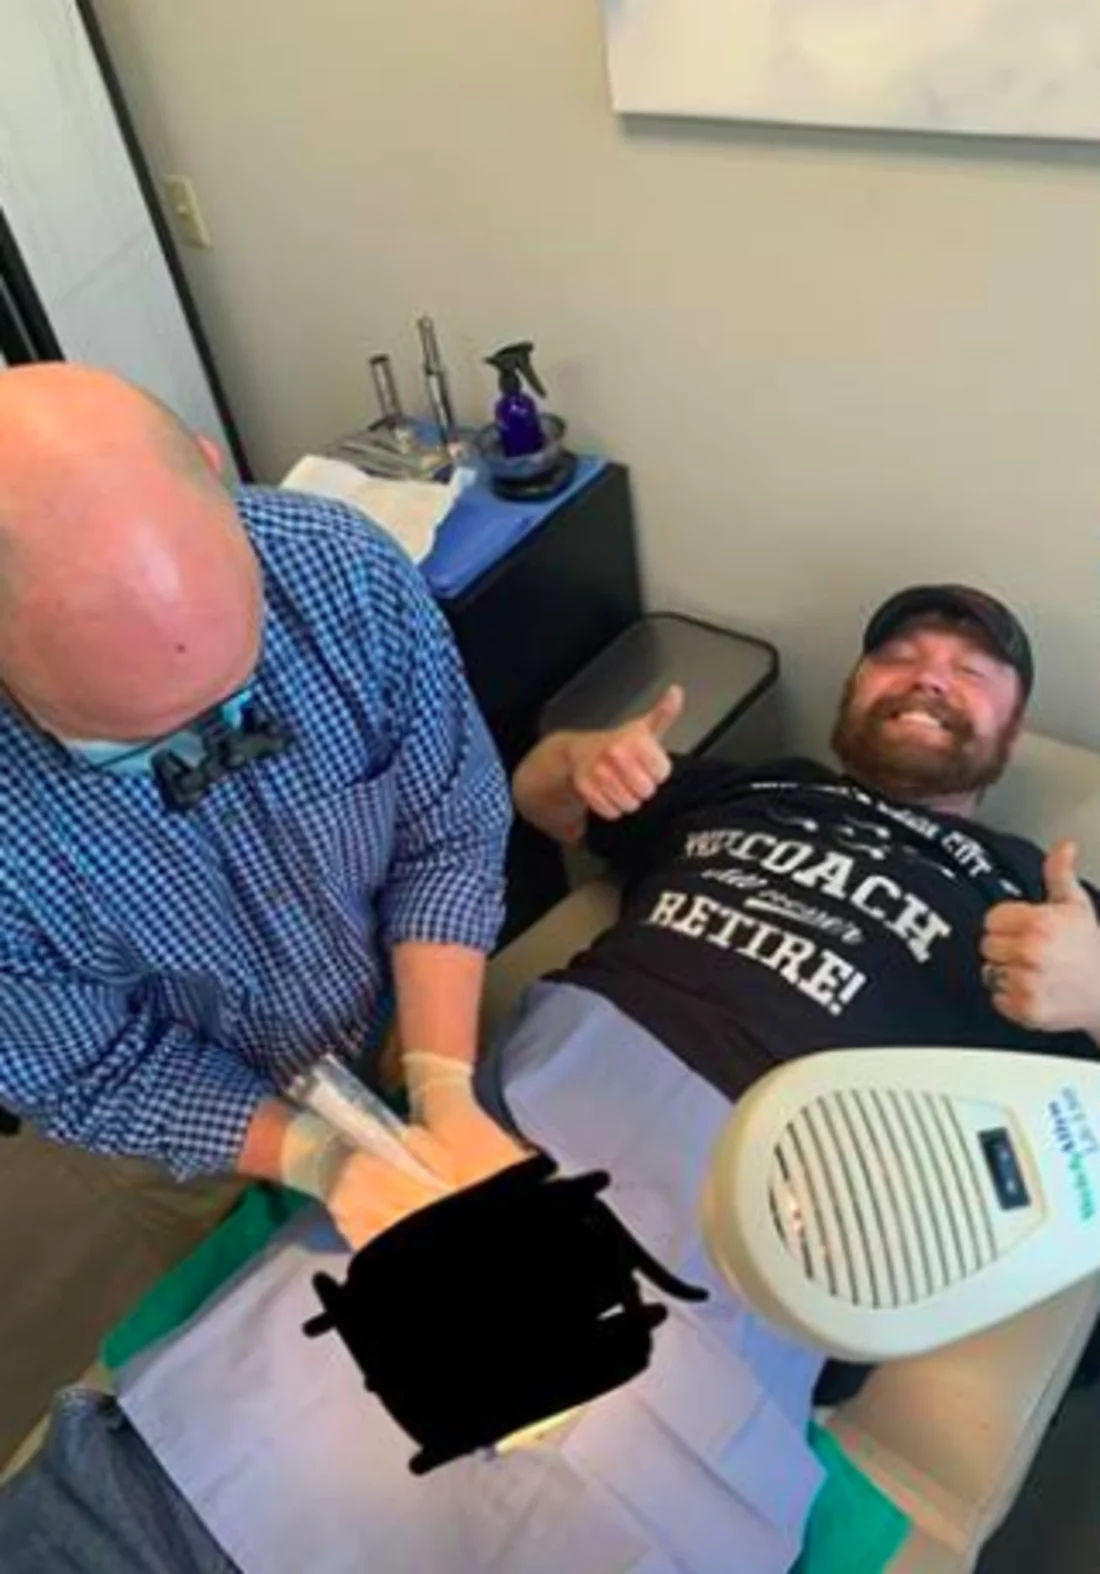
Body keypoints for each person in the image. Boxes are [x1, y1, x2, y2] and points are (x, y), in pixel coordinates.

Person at [0, 364, 522, 1251]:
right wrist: (323, 1160)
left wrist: (440, 1081)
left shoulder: (343, 572)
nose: (207, 749)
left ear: (216, 477)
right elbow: (85, 1067)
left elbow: (448, 830)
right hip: (191, 1130)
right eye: (137, 748)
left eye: (234, 693)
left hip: (409, 1006)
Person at [514, 583, 1100, 1096]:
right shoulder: (756, 784)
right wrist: (577, 757)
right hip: (547, 1070)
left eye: (970, 671)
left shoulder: (1034, 890)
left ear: (1014, 731)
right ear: (853, 690)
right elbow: (539, 801)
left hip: (776, 1163)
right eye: (898, 658)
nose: (927, 679)